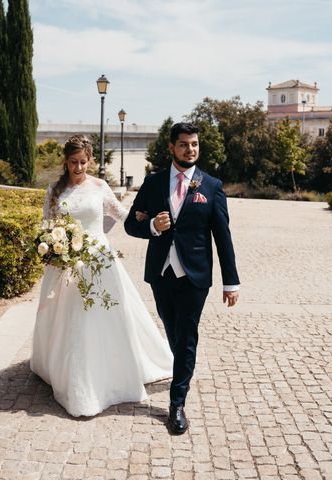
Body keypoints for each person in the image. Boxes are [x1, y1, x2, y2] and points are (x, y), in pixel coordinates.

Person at [30, 134, 173, 417]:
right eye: (73, 162)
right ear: (66, 161)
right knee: (72, 320)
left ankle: (111, 372)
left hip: (100, 259)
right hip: (67, 262)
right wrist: (53, 247)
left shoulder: (100, 186)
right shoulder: (55, 191)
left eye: (83, 162)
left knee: (105, 316)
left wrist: (149, 221)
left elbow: (123, 215)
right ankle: (73, 376)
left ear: (90, 160)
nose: (79, 167)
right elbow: (47, 225)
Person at [125, 122, 240, 435]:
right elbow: (129, 225)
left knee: (187, 334)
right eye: (185, 144)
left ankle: (177, 403)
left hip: (194, 275)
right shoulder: (153, 183)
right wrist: (151, 226)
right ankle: (183, 369)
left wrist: (231, 282)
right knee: (173, 331)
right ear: (172, 148)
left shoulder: (211, 186)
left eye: (195, 144)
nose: (191, 149)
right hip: (161, 273)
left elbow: (223, 236)